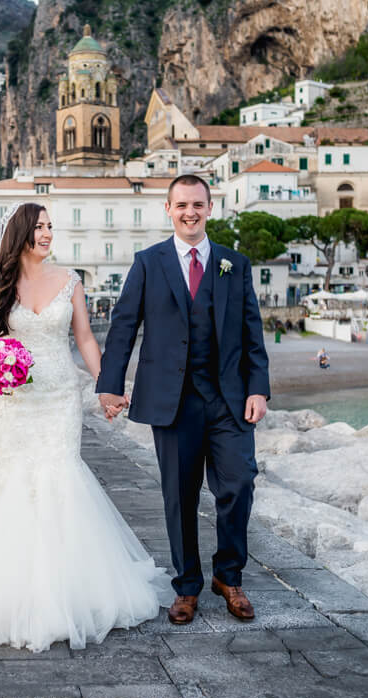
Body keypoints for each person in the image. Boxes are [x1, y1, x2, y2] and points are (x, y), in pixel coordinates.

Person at [0, 202, 173, 652]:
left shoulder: (70, 281)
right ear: (21, 234)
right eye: (40, 227)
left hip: (58, 396)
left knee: (60, 474)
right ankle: (6, 585)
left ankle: (68, 585)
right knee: (13, 477)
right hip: (12, 398)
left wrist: (105, 385)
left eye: (51, 226)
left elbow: (85, 337)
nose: (48, 234)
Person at [97, 174, 270, 626]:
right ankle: (187, 585)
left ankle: (229, 576)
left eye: (198, 204)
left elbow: (253, 333)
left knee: (238, 485)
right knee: (180, 495)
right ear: (168, 210)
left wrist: (258, 388)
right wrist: (110, 385)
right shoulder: (148, 263)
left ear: (210, 208)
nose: (190, 212)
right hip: (172, 402)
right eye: (181, 205)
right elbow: (123, 327)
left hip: (229, 399)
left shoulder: (236, 264)